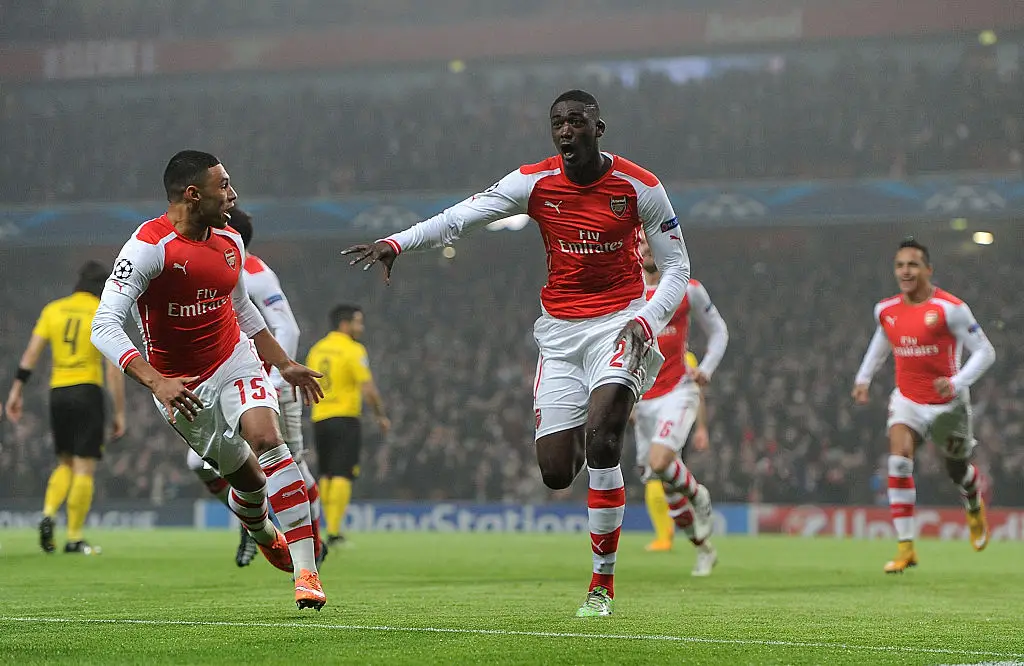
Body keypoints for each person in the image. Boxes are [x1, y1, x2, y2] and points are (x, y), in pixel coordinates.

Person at [343, 90, 690, 617]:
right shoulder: (533, 181)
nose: (567, 129)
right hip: (559, 335)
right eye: (559, 123)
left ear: (600, 128)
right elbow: (462, 216)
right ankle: (592, 440)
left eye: (578, 121)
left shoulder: (641, 186)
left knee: (603, 441)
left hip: (621, 324)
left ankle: (601, 585)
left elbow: (677, 268)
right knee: (555, 471)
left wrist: (647, 319)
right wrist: (396, 242)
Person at [90, 150, 328, 609]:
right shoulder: (147, 249)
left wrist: (282, 363)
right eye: (224, 185)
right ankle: (259, 529)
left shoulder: (230, 240)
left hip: (233, 358)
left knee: (268, 440)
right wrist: (156, 381)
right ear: (192, 194)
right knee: (250, 484)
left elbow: (242, 310)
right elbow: (104, 325)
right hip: (181, 388)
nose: (233, 194)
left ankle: (306, 574)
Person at [184, 208, 326, 568]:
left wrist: (277, 377)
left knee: (292, 466)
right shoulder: (205, 266)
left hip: (270, 383)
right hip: (228, 383)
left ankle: (314, 546)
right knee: (200, 465)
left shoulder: (258, 275)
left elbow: (288, 329)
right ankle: (252, 524)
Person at [852, 237, 995, 573]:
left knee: (957, 471)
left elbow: (986, 352)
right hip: (907, 399)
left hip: (949, 405)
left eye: (913, 264)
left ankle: (973, 503)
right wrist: (863, 378)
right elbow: (882, 339)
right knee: (898, 462)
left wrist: (957, 382)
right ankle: (906, 548)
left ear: (928, 269)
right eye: (900, 265)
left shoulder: (950, 309)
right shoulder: (886, 310)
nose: (906, 270)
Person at [5, 261, 127, 554]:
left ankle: (48, 512)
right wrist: (119, 411)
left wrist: (16, 391)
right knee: (84, 467)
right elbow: (112, 370)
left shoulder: (53, 309)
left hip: (57, 392)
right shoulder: (101, 312)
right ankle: (74, 537)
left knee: (64, 463)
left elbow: (31, 354)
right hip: (87, 390)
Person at [632, 234, 728, 576]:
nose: (645, 248)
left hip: (678, 390)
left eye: (649, 242)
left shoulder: (687, 289)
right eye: (639, 243)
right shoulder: (626, 294)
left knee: (661, 463)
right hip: (643, 400)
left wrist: (707, 368)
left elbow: (719, 330)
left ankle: (699, 495)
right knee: (667, 487)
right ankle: (704, 550)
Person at [305, 304, 389, 546]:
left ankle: (320, 530)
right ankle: (333, 532)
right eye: (358, 322)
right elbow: (368, 388)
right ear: (345, 324)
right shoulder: (353, 350)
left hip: (320, 418)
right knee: (342, 473)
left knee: (327, 473)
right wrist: (380, 415)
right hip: (345, 417)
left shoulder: (317, 349)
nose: (361, 328)